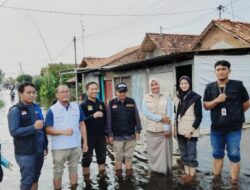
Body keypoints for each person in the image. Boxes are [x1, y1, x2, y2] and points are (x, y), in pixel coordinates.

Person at [203, 60, 250, 184]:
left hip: (234, 128)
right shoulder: (210, 87)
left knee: (234, 154)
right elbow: (206, 105)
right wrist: (217, 100)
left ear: (229, 71)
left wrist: (236, 114)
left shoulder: (238, 85)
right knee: (217, 154)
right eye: (218, 69)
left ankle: (234, 183)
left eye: (224, 69)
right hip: (216, 127)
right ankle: (216, 180)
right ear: (215, 72)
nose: (221, 71)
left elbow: (246, 103)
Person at [45, 85, 88, 190]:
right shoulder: (52, 110)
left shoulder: (76, 107)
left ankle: (74, 187)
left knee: (74, 169)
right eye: (62, 92)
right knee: (58, 171)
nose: (66, 93)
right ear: (57, 95)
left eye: (67, 91)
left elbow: (82, 124)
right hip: (59, 147)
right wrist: (63, 132)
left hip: (75, 145)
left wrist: (85, 142)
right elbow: (47, 129)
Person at [8, 82, 46, 190]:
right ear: (20, 93)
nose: (32, 95)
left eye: (34, 92)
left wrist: (45, 145)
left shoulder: (36, 107)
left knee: (35, 178)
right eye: (28, 92)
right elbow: (14, 131)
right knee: (27, 180)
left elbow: (42, 128)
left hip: (39, 149)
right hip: (25, 153)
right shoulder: (15, 110)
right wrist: (33, 127)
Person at [106, 82, 142, 176]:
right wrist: (109, 134)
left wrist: (138, 131)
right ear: (116, 92)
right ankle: (119, 179)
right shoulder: (111, 103)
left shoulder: (131, 101)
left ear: (126, 92)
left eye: (124, 91)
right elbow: (108, 120)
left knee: (129, 158)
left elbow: (137, 117)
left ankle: (129, 177)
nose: (122, 93)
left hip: (130, 135)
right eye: (120, 91)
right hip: (117, 136)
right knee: (118, 158)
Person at [174, 76, 202, 182]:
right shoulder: (177, 97)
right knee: (184, 154)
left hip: (191, 131)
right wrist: (174, 129)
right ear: (179, 85)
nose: (184, 85)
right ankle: (186, 173)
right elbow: (176, 114)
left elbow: (199, 117)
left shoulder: (196, 98)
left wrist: (191, 131)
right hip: (180, 130)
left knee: (191, 154)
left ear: (190, 84)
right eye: (182, 83)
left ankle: (192, 175)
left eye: (186, 83)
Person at [142, 78, 173, 176]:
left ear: (160, 85)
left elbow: (169, 113)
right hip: (151, 131)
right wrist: (160, 118)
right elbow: (146, 113)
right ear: (150, 86)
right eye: (152, 85)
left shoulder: (167, 96)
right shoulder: (146, 97)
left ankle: (165, 173)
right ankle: (155, 172)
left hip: (163, 131)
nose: (155, 86)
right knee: (152, 154)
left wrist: (166, 128)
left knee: (165, 155)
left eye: (156, 84)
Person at [80, 82, 107, 180]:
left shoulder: (101, 103)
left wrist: (107, 134)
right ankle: (87, 180)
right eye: (92, 89)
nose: (94, 91)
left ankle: (102, 178)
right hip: (88, 136)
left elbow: (106, 120)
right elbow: (80, 122)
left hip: (100, 136)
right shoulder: (83, 105)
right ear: (87, 91)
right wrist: (93, 116)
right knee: (87, 158)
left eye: (96, 89)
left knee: (102, 157)